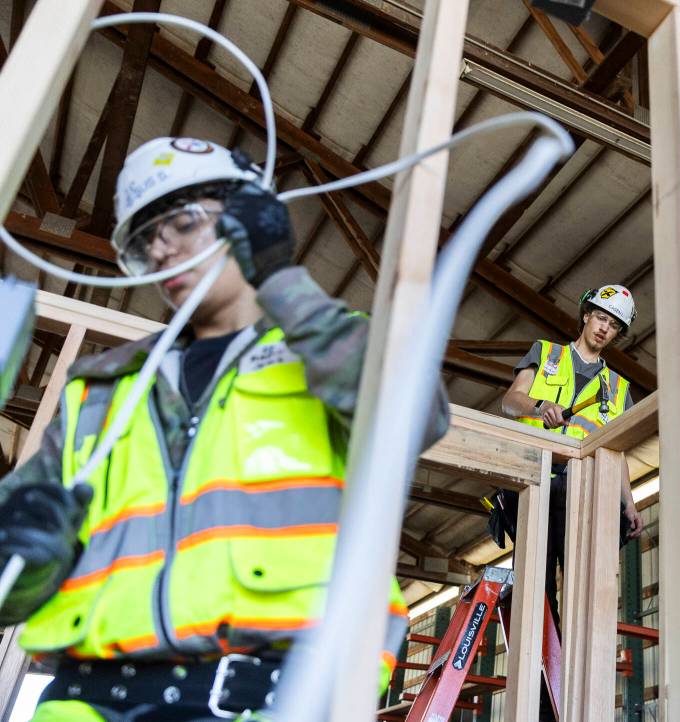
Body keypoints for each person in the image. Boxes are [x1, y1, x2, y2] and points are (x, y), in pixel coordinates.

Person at [0, 137, 448, 721]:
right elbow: (10, 587)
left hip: (267, 702)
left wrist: (281, 278)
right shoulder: (100, 388)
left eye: (180, 223)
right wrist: (23, 554)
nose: (161, 249)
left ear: (247, 221)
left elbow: (416, 416)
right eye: (144, 239)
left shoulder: (331, 350)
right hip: (83, 704)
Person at [499, 284, 644, 624]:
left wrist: (629, 502)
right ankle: (537, 672)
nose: (604, 328)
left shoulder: (619, 388)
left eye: (613, 325)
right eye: (601, 318)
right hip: (533, 480)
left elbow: (617, 452)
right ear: (586, 316)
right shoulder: (547, 353)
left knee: (584, 587)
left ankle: (571, 668)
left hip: (581, 493)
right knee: (537, 585)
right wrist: (539, 406)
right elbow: (510, 401)